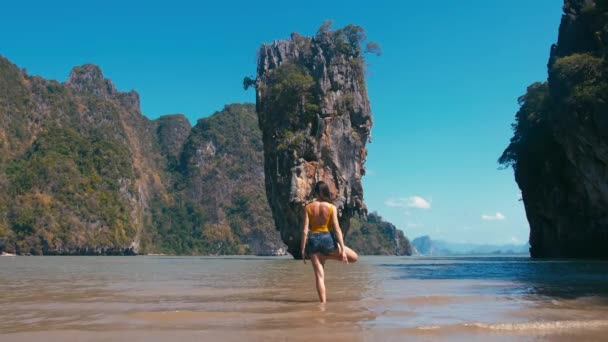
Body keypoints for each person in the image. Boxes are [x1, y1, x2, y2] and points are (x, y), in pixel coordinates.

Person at [301, 181, 358, 303]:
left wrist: (302, 249)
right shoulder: (332, 207)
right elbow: (337, 229)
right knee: (354, 257)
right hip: (327, 240)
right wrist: (342, 250)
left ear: (315, 192)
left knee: (319, 277)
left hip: (313, 241)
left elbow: (305, 230)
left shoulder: (308, 207)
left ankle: (323, 306)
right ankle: (326, 255)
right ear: (326, 192)